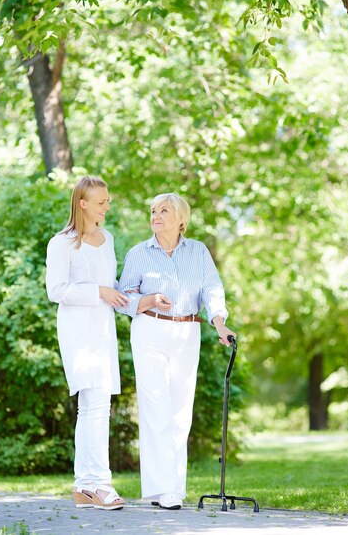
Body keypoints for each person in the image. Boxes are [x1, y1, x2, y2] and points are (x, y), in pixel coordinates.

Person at [117, 192, 235, 510]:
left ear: (181, 219)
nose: (155, 215)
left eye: (163, 210)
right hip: (149, 329)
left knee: (180, 412)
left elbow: (212, 288)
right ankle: (162, 490)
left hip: (187, 330)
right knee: (155, 407)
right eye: (153, 210)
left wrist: (219, 323)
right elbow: (123, 295)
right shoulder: (138, 253)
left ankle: (171, 488)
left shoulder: (197, 252)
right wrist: (150, 300)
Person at [46, 176, 129, 511]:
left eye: (107, 201)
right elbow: (56, 290)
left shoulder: (107, 239)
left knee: (94, 407)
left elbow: (112, 285)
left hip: (103, 330)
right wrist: (98, 292)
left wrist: (140, 298)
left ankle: (83, 485)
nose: (106, 207)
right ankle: (102, 485)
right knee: (94, 406)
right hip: (78, 333)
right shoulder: (61, 243)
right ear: (82, 203)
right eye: (101, 202)